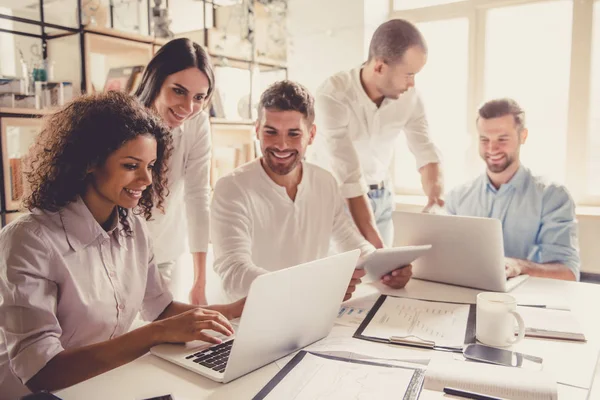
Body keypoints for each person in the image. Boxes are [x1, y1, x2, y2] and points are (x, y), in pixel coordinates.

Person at [0, 92, 243, 398]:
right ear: (89, 162)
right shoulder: (30, 239)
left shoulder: (133, 228)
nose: (145, 179)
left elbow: (161, 308)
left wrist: (233, 310)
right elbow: (41, 372)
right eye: (131, 165)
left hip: (100, 385)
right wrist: (153, 335)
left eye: (151, 166)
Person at [211, 80, 413, 302]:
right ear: (257, 130)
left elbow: (352, 244)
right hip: (247, 317)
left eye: (294, 134)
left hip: (310, 312)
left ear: (312, 134)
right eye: (271, 132)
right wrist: (314, 287)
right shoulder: (231, 188)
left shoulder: (324, 182)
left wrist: (388, 269)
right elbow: (234, 274)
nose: (281, 145)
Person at [310, 19, 443, 248]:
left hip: (382, 197)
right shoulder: (333, 96)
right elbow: (349, 179)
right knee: (348, 279)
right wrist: (382, 256)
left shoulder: (410, 98)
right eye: (408, 74)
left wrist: (435, 200)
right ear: (380, 67)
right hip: (339, 200)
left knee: (382, 281)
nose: (412, 84)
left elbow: (426, 152)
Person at [445, 98, 580, 281]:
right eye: (484, 139)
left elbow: (568, 273)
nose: (492, 148)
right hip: (466, 298)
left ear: (523, 136)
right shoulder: (457, 197)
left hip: (527, 303)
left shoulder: (552, 197)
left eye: (502, 139)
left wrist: (519, 266)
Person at [134, 37, 213, 305]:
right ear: (155, 81)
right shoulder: (122, 119)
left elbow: (198, 196)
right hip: (119, 255)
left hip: (166, 250)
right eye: (178, 91)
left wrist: (199, 281)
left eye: (199, 97)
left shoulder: (197, 123)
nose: (188, 107)